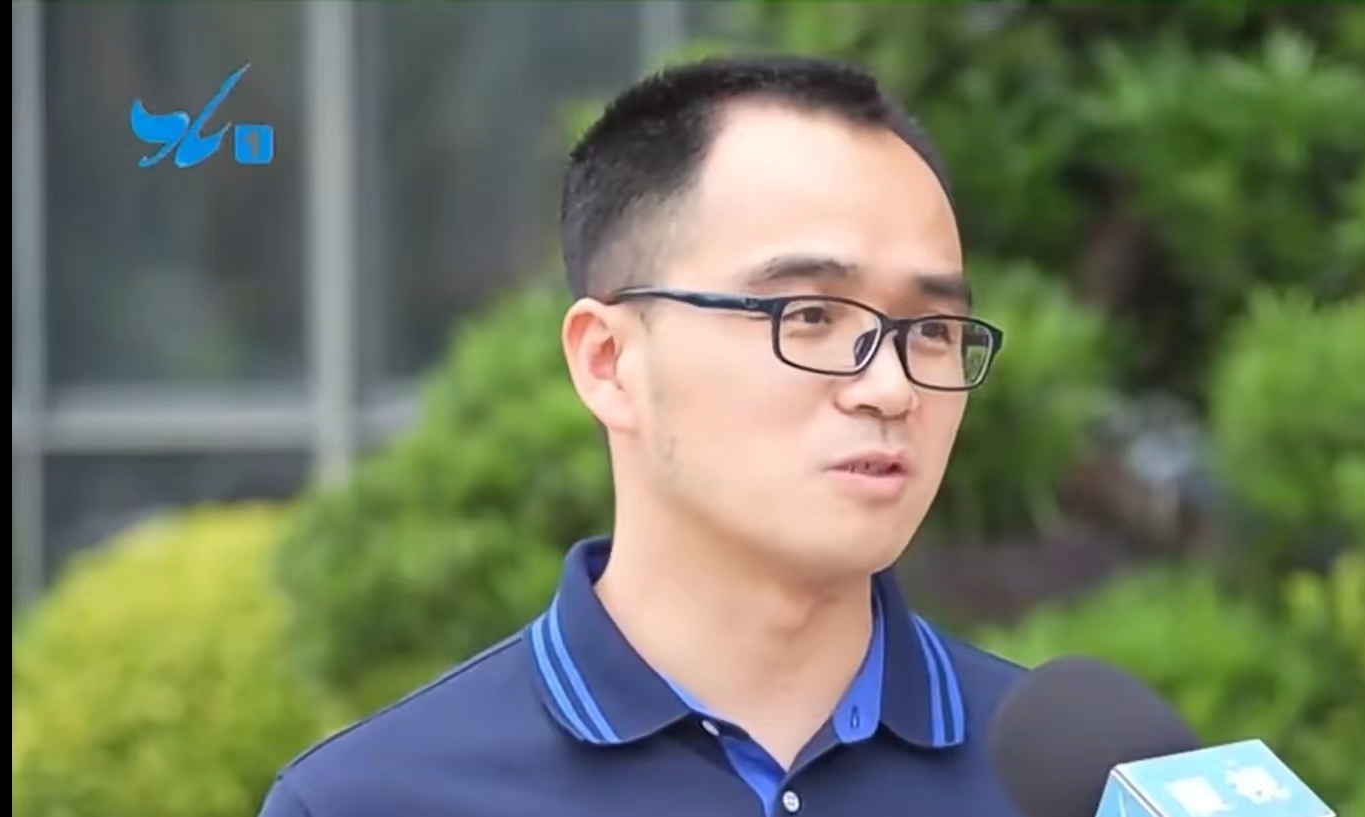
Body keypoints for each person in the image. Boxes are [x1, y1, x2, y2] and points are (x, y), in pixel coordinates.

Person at [256, 55, 1026, 817]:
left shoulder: (1062, 783)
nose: (890, 387)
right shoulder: (371, 800)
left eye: (932, 329)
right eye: (811, 315)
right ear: (609, 361)